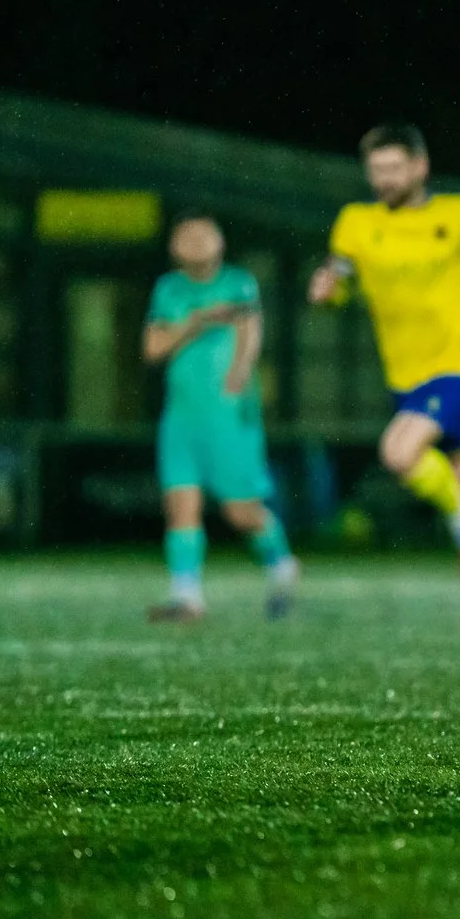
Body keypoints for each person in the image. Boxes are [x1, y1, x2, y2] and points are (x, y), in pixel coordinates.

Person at [308, 123, 460, 639]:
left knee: (399, 452)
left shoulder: (458, 215)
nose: (385, 180)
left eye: (395, 168)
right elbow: (342, 284)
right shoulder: (354, 223)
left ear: (420, 167)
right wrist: (329, 293)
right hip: (405, 376)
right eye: (376, 171)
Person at [143, 212, 300, 622]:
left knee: (239, 511)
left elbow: (251, 328)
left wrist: (240, 373)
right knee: (180, 503)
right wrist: (195, 323)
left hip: (228, 415)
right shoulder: (168, 289)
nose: (194, 242)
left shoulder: (237, 283)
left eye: (203, 234)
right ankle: (187, 596)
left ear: (220, 242)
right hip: (181, 415)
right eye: (185, 235)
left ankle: (281, 564)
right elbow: (153, 348)